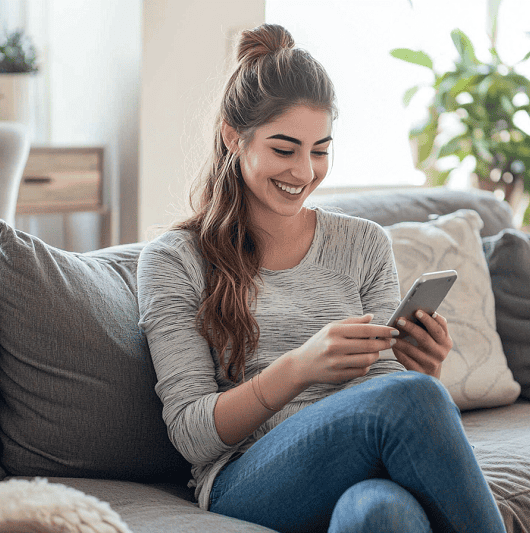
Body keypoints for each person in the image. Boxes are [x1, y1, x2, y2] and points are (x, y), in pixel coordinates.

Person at [137, 23, 506, 533]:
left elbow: (384, 391)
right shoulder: (174, 260)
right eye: (284, 150)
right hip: (247, 480)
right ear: (232, 137)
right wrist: (300, 367)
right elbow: (192, 434)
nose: (305, 172)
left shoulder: (363, 244)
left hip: (356, 468)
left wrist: (424, 370)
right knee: (411, 401)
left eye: (320, 150)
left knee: (382, 513)